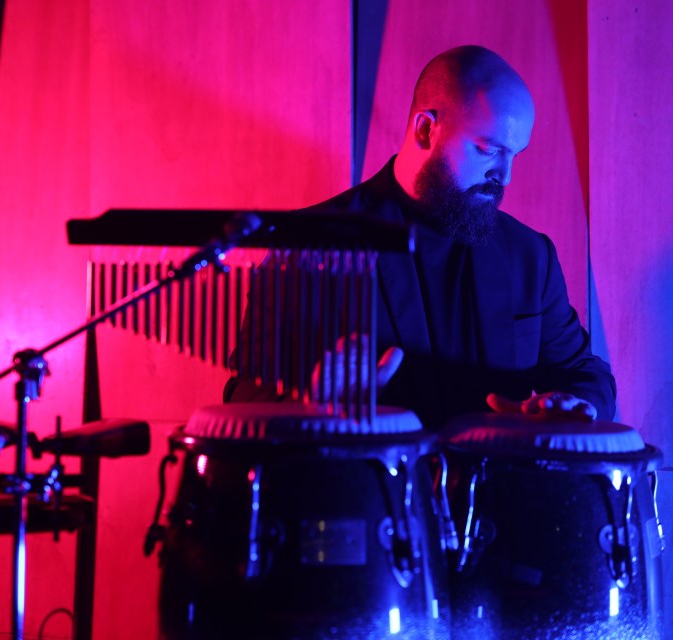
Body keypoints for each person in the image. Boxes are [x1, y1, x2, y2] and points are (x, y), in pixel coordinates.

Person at [224, 45, 615, 428]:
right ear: (426, 129)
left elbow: (584, 372)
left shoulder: (530, 256)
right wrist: (312, 408)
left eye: (514, 154)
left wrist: (579, 405)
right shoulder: (306, 246)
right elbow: (246, 396)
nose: (505, 176)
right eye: (487, 150)